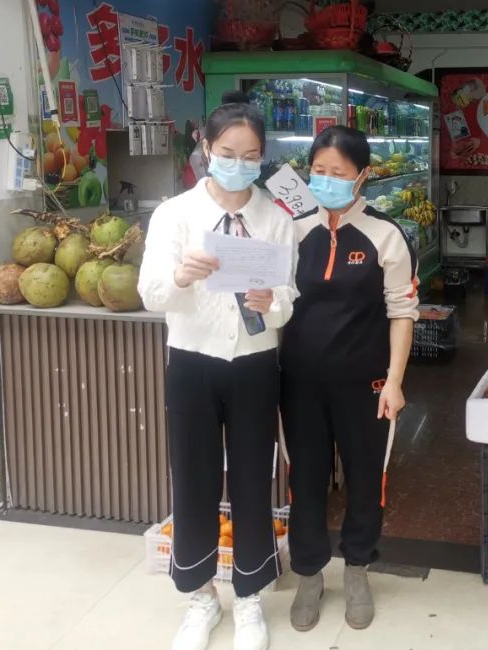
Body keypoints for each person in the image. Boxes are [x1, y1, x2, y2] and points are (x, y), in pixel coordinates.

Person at [137, 93, 297, 650]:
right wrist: (181, 276)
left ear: (262, 157)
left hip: (255, 364)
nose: (238, 164)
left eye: (251, 156)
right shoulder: (174, 214)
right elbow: (151, 294)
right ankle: (200, 597)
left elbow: (288, 300)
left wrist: (271, 301)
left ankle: (249, 598)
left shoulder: (276, 218)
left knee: (253, 478)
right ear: (206, 149)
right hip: (191, 362)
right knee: (194, 477)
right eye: (228, 153)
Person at [280, 125, 419, 632]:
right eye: (318, 171)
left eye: (337, 172)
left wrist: (395, 380)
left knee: (365, 479)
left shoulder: (385, 235)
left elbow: (402, 312)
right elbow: (276, 305)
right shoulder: (293, 231)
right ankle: (309, 573)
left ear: (362, 177)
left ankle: (358, 568)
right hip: (299, 385)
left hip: (368, 386)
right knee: (305, 479)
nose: (326, 180)